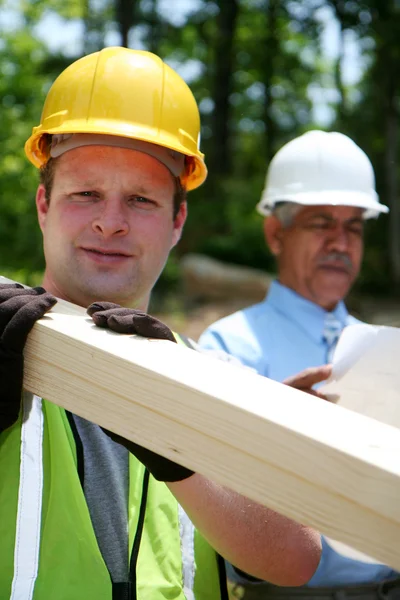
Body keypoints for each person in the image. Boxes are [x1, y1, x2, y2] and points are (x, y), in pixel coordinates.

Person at [0, 48, 321, 600]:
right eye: (86, 194)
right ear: (43, 205)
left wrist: (177, 443)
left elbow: (294, 558)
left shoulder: (207, 371)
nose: (110, 221)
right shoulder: (0, 344)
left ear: (177, 221)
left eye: (141, 200)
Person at [199, 130, 400, 598]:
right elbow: (213, 508)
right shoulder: (229, 347)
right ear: (276, 233)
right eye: (321, 223)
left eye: (354, 227)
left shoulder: (384, 352)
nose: (341, 242)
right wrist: (276, 438)